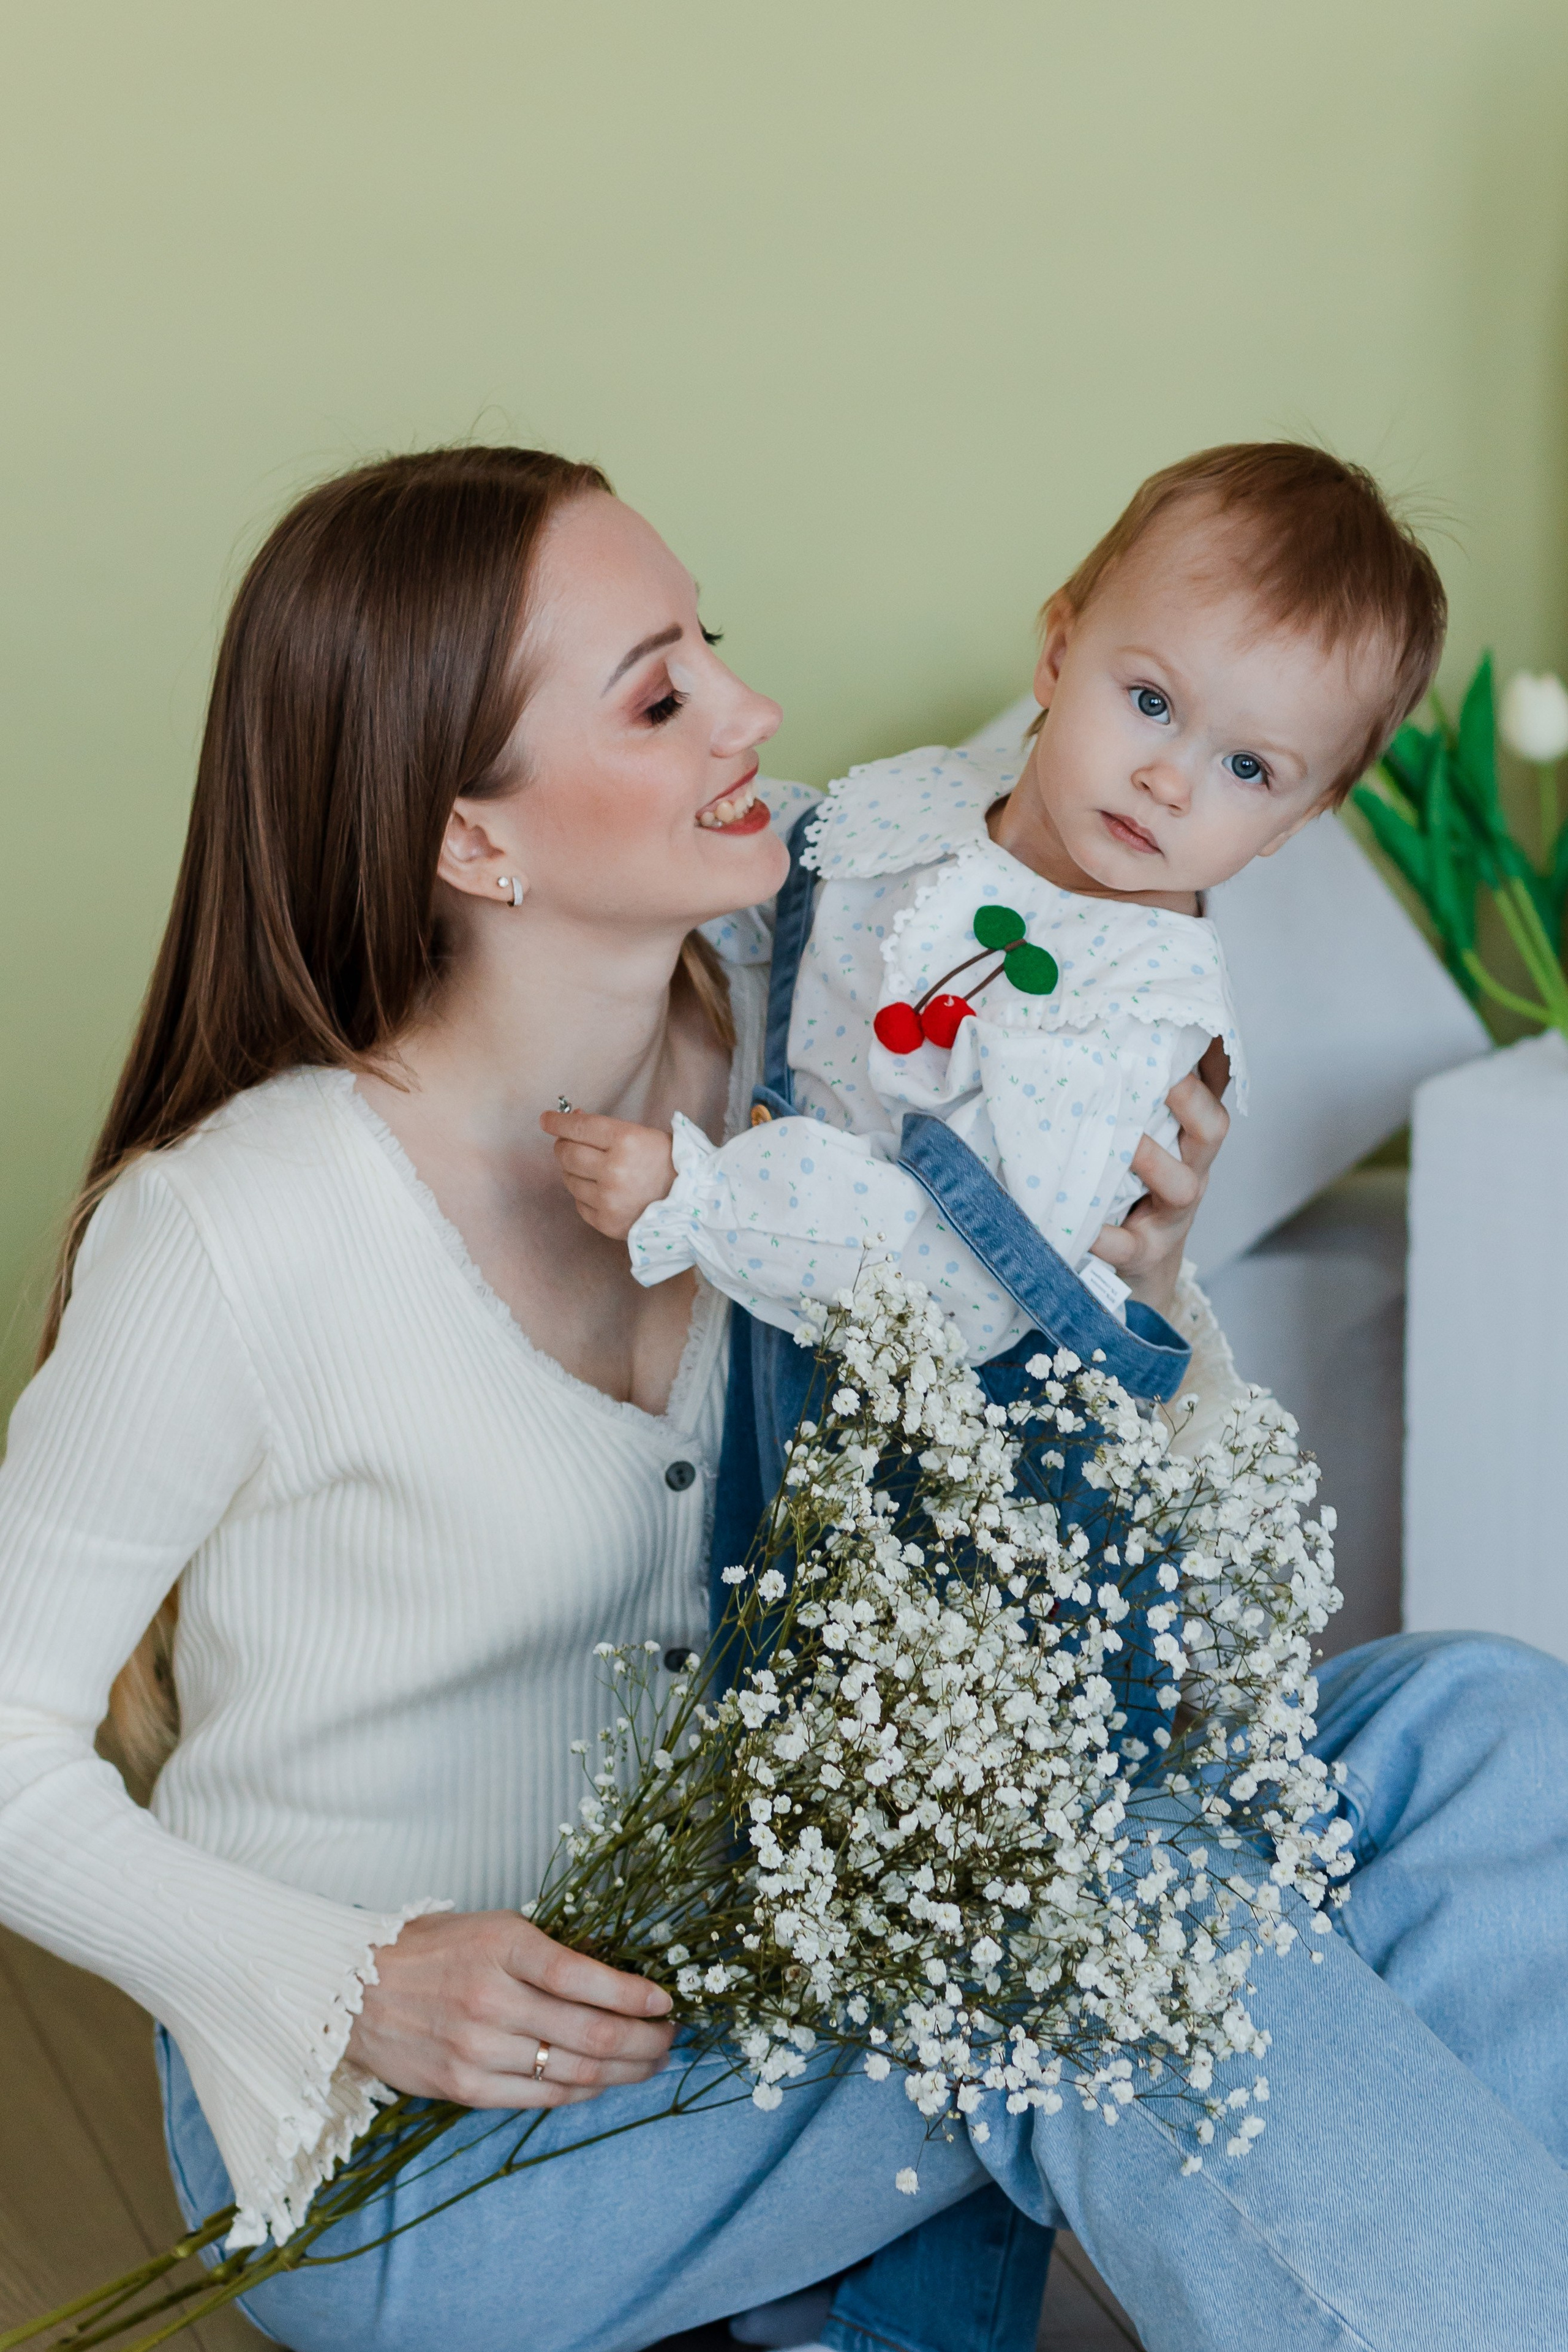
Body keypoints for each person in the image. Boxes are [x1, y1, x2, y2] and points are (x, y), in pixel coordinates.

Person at [2, 447, 1567, 2352]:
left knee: (1472, 1734)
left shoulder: (820, 998)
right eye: (659, 694)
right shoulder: (240, 1229)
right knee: (1076, 1889)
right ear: (469, 837)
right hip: (419, 2151)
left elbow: (1023, 1312)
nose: (751, 711)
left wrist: (1142, 1286)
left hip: (784, 1949)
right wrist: (342, 1984)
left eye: (715, 649)